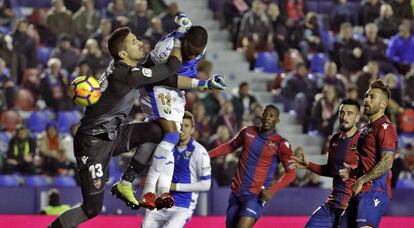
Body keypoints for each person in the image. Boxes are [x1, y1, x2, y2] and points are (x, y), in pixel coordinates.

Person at [48, 23, 221, 227]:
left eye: (137, 39)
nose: (140, 43)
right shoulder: (126, 76)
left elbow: (168, 78)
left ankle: (126, 182)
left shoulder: (132, 70)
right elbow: (171, 67)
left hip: (113, 134)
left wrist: (204, 84)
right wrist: (179, 35)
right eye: (133, 42)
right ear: (122, 53)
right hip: (92, 143)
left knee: (157, 130)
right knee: (91, 209)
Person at [129, 19, 224, 210]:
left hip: (176, 92)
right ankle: (148, 191)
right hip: (156, 87)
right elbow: (162, 77)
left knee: (168, 143)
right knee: (172, 135)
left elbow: (182, 78)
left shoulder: (196, 47)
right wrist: (203, 85)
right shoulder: (166, 48)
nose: (193, 54)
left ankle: (163, 190)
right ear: (185, 39)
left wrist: (203, 83)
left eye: (197, 52)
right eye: (190, 49)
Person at [209, 105, 296, 228]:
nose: (267, 118)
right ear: (261, 115)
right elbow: (230, 146)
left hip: (256, 196)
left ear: (277, 121)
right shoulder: (247, 132)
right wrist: (207, 155)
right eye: (265, 114)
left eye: (271, 116)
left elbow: (291, 173)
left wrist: (273, 189)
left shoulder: (281, 144)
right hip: (236, 193)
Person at [290, 99, 361, 228]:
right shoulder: (334, 140)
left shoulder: (364, 141)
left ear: (357, 118)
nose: (344, 117)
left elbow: (372, 171)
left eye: (349, 113)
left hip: (351, 208)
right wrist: (308, 165)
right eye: (342, 113)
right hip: (330, 207)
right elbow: (331, 170)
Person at [340, 79, 397, 228]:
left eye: (372, 97)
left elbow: (387, 162)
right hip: (361, 189)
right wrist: (353, 172)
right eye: (366, 96)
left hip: (375, 190)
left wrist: (362, 180)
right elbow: (368, 161)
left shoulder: (385, 127)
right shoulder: (366, 128)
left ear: (383, 104)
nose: (366, 99)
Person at [142, 111, 211, 227]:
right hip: (160, 202)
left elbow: (206, 184)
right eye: (180, 125)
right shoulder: (166, 147)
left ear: (192, 129)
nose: (182, 129)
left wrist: (175, 186)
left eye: (186, 126)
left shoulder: (199, 152)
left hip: (183, 206)